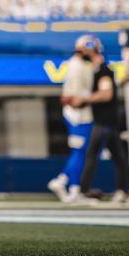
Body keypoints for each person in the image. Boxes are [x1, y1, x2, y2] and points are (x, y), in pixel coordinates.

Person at [64, 37, 129, 204]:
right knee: (119, 159)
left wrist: (84, 99)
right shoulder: (100, 72)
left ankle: (83, 190)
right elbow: (110, 87)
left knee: (91, 156)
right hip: (108, 122)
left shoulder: (102, 70)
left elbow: (106, 94)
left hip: (104, 122)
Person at [48, 35, 95, 203]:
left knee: (81, 152)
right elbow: (75, 98)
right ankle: (68, 185)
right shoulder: (77, 66)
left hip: (80, 114)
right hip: (78, 115)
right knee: (80, 151)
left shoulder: (80, 65)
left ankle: (68, 185)